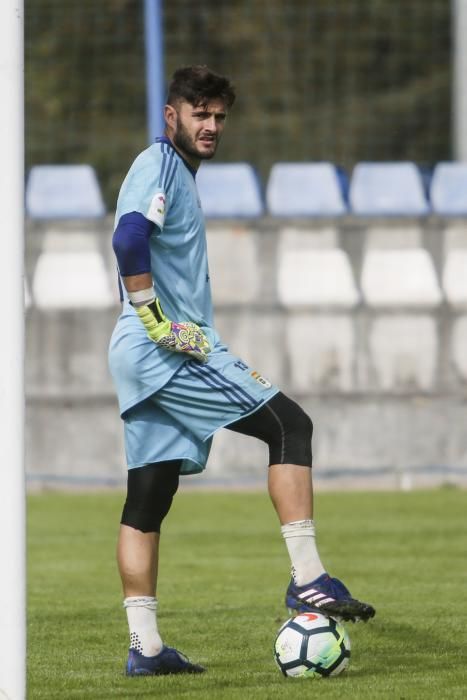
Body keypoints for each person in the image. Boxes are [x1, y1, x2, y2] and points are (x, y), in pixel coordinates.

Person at [108, 64, 375, 677]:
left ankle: (145, 649)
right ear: (171, 114)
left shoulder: (176, 173)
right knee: (289, 425)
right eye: (198, 113)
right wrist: (155, 319)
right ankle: (308, 578)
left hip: (138, 354)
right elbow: (128, 240)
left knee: (147, 499)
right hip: (167, 350)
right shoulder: (158, 165)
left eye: (218, 116)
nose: (210, 125)